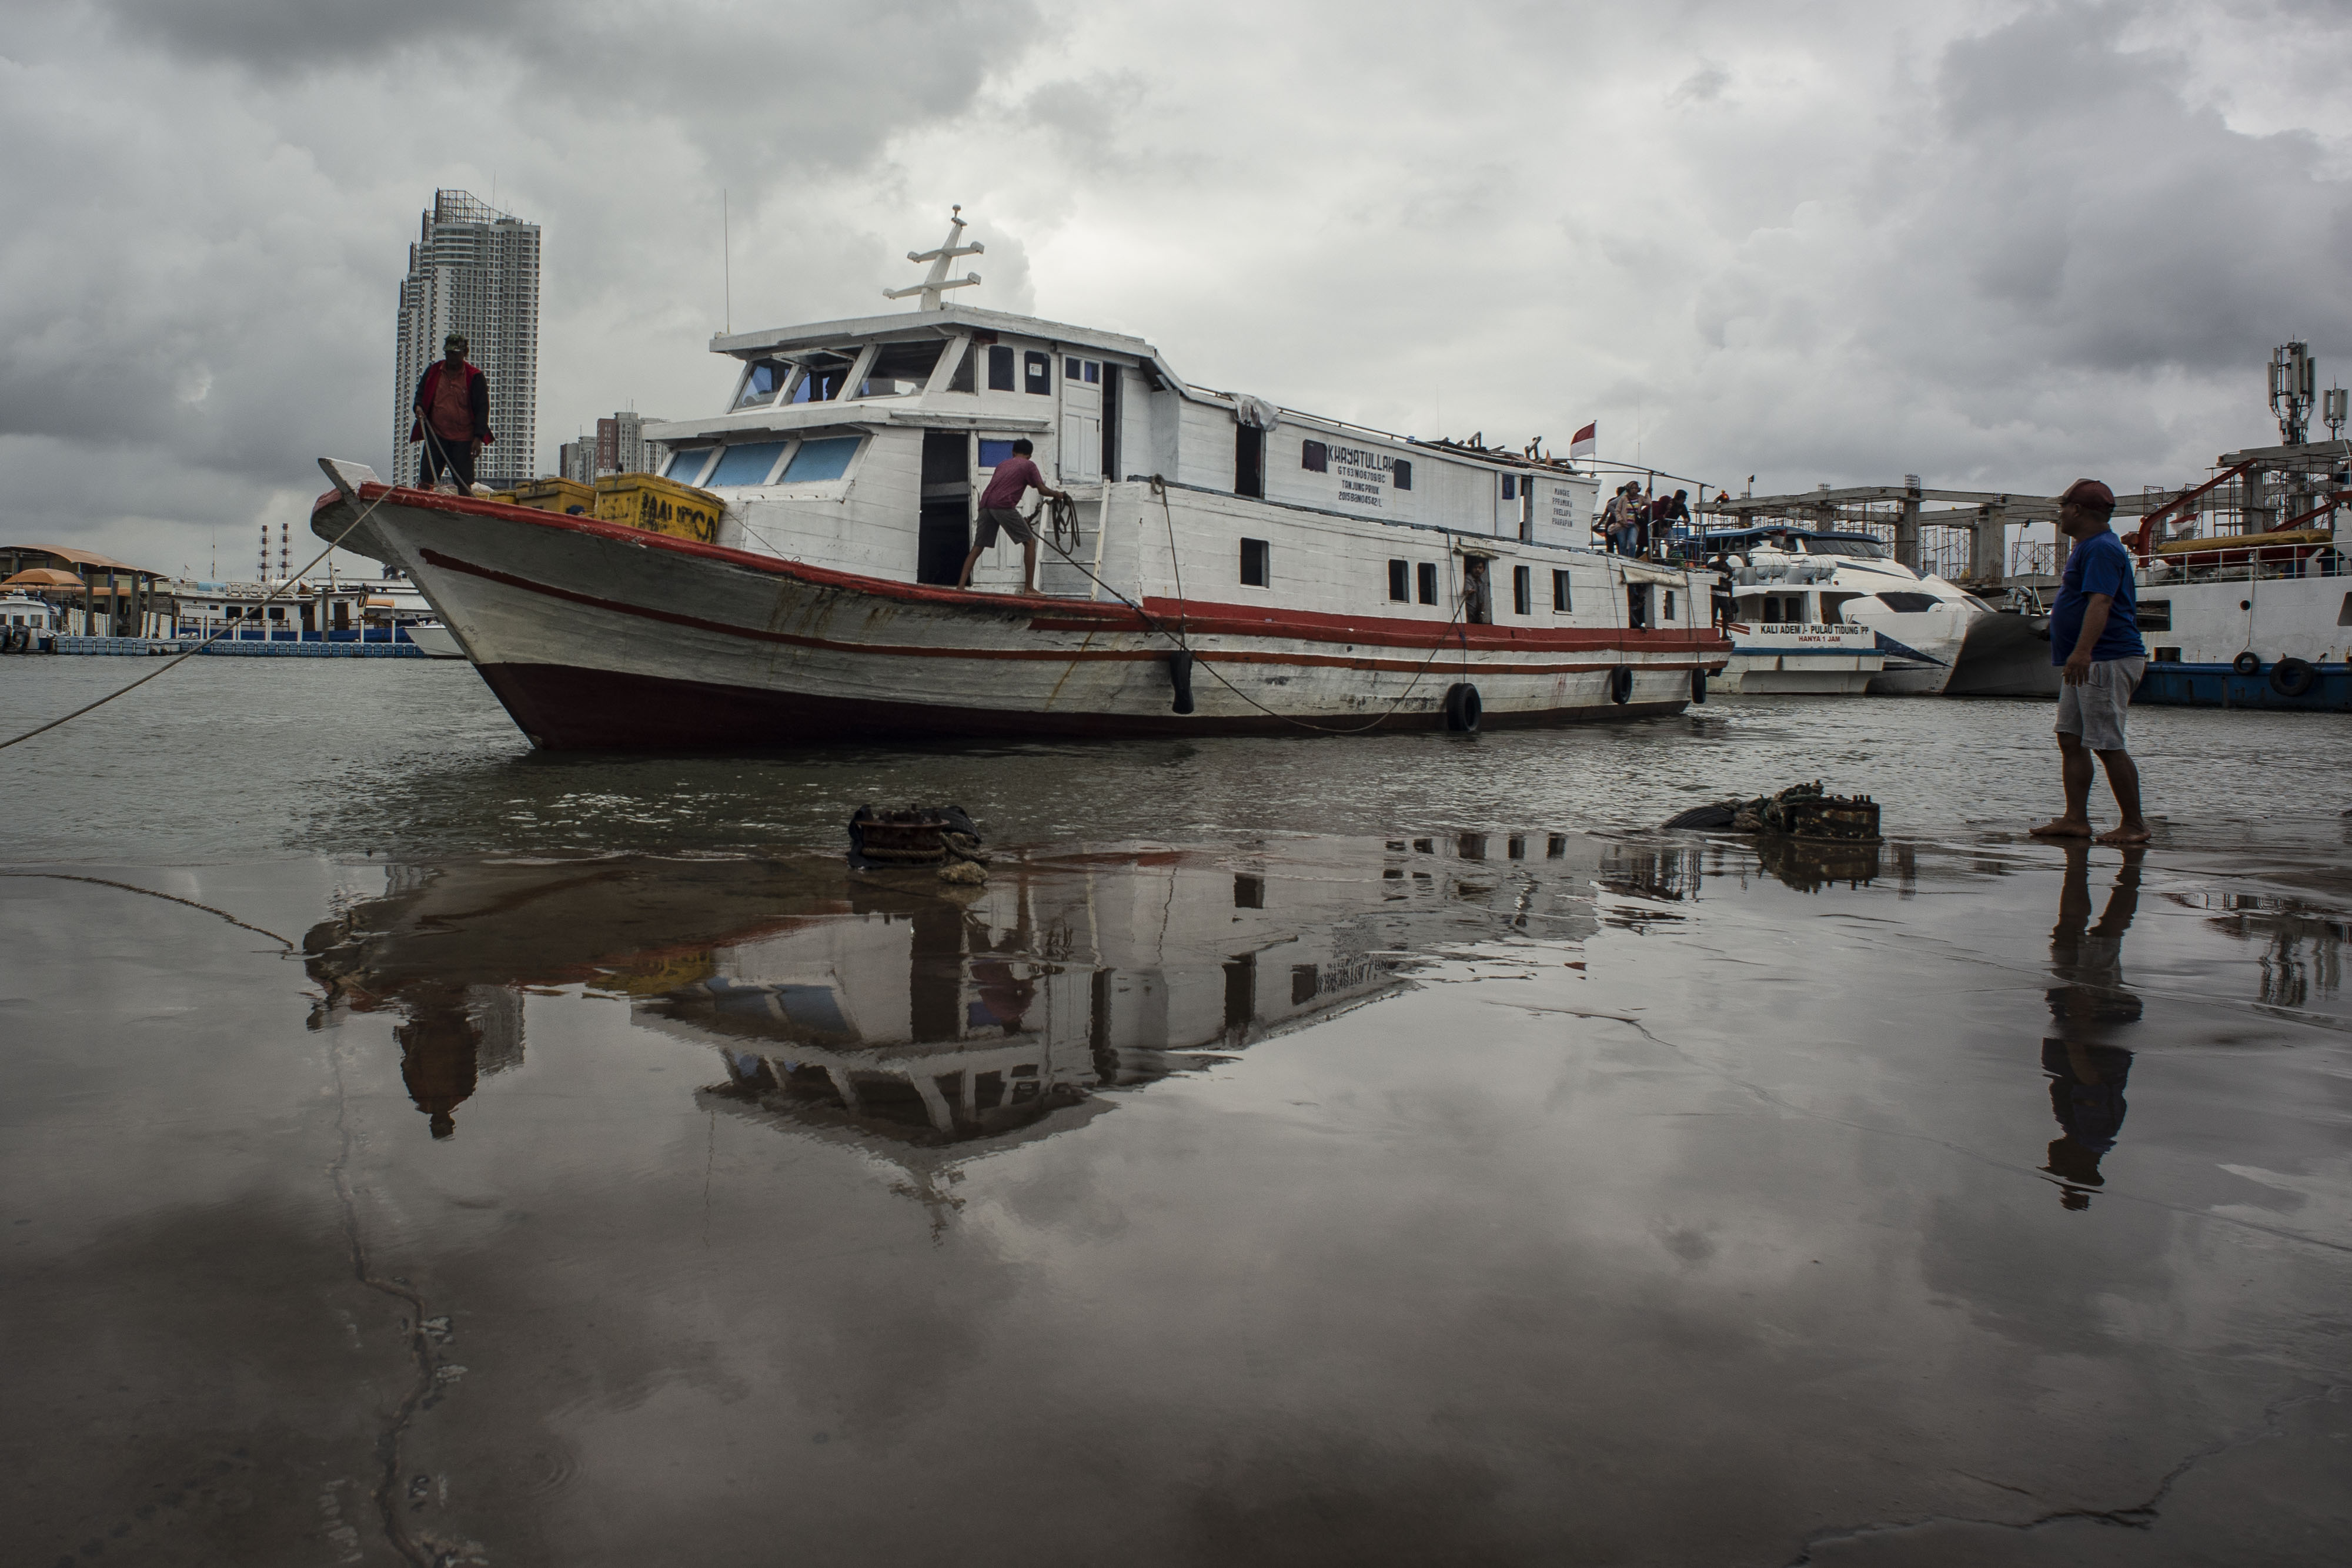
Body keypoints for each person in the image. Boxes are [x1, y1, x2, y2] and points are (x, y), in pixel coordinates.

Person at [2029, 479, 2149, 845]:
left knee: (2107, 742)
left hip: (2105, 659)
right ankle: (2075, 819)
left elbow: (2101, 601)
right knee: (2071, 738)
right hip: (2088, 660)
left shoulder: (2100, 549)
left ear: (2077, 510)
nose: (2060, 515)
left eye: (2063, 508)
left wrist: (2082, 652)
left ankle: (2134, 824)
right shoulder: (2090, 547)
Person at [959, 438, 1067, 593]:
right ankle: (1029, 589)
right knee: (1029, 542)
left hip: (985, 505)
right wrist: (1057, 494)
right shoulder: (1029, 465)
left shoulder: (1003, 465)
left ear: (1013, 452)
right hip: (1003, 505)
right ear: (1030, 455)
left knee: (978, 547)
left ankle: (961, 587)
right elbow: (1042, 490)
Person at [410, 332, 494, 492]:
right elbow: (420, 394)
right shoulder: (434, 371)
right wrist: (418, 407)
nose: (452, 357)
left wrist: (478, 438)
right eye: (449, 353)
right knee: (426, 479)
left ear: (464, 353)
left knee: (464, 483)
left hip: (463, 439)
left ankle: (465, 506)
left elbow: (482, 409)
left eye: (455, 353)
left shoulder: (474, 377)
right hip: (436, 435)